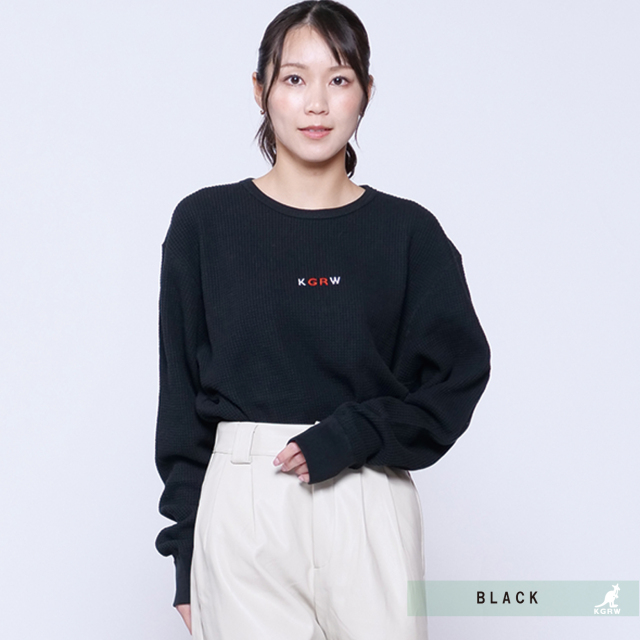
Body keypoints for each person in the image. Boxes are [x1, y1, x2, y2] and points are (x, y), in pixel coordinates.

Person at [154, 1, 491, 638]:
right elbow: (181, 402)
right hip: (244, 503)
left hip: (368, 496)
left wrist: (356, 433)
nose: (317, 104)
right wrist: (186, 553)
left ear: (366, 92)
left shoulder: (408, 233)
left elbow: (457, 378)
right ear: (261, 90)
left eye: (339, 79)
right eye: (294, 78)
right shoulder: (205, 225)